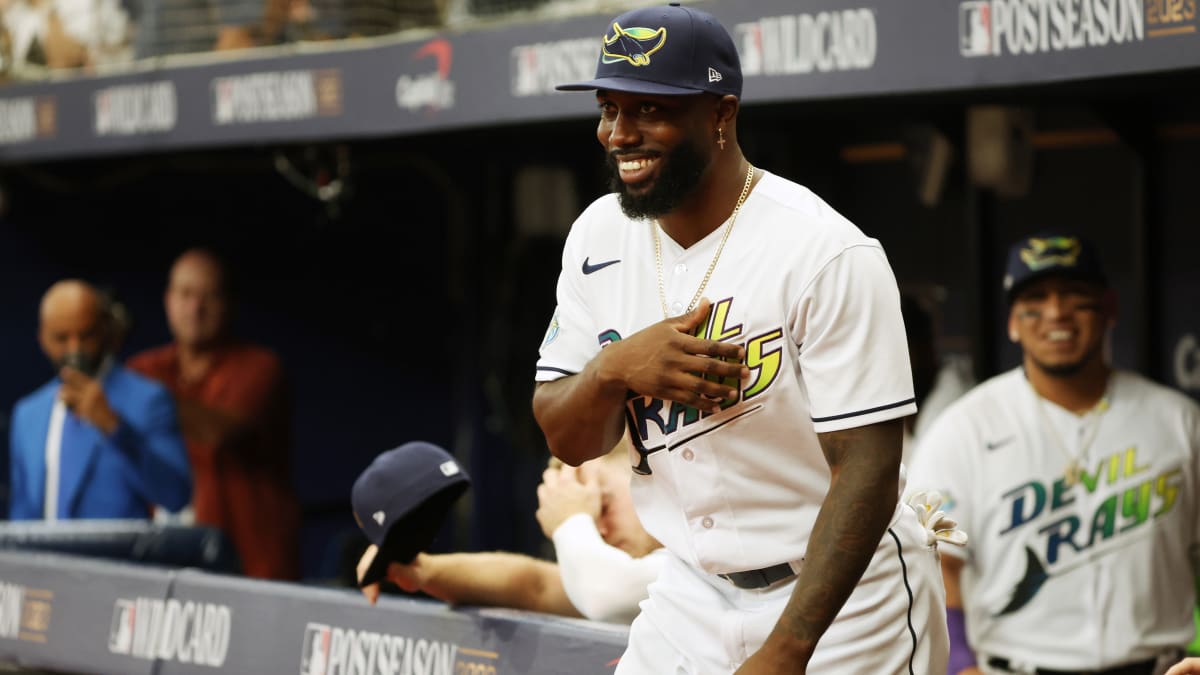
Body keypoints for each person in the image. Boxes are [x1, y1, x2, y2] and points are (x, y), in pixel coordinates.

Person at [532, 4, 954, 672]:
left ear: (721, 116)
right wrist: (616, 367)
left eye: (649, 110)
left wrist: (788, 647)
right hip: (690, 589)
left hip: (843, 599)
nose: (619, 133)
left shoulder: (823, 249)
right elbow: (566, 434)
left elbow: (869, 470)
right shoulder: (597, 236)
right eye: (610, 108)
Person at [907, 232, 1200, 674]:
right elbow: (932, 562)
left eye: (1077, 296)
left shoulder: (1179, 421)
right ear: (1013, 321)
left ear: (1109, 310)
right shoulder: (963, 429)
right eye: (1035, 299)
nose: (1056, 312)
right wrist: (960, 664)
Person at [127, 248, 301, 580]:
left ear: (230, 304)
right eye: (186, 294)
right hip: (163, 567)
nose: (195, 308)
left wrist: (127, 390)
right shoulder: (144, 369)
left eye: (210, 296)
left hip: (249, 570)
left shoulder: (261, 368)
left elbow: (218, 432)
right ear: (168, 300)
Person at [357, 438, 666, 624]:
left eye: (604, 504)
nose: (599, 530)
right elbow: (537, 586)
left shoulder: (704, 551)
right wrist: (423, 570)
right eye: (588, 519)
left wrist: (571, 521)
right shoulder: (630, 575)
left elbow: (607, 594)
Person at [9, 279, 191, 520]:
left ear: (104, 330)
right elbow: (23, 518)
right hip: (43, 558)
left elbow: (176, 495)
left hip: (116, 557)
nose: (74, 350)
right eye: (62, 338)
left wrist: (114, 426)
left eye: (85, 336)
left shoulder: (147, 400)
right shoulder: (27, 415)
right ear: (43, 338)